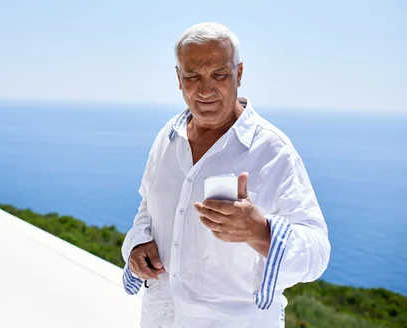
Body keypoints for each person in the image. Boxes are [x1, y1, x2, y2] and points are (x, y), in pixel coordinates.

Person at [121, 22, 330, 328]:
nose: (205, 89)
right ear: (178, 78)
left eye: (219, 74)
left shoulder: (272, 150)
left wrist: (259, 231)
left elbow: (317, 253)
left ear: (239, 74)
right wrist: (138, 244)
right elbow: (147, 204)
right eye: (192, 76)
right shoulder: (168, 137)